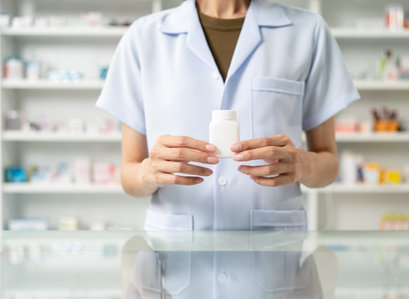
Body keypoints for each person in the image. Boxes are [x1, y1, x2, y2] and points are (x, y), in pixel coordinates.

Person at [95, 0, 360, 232]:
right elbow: (129, 176)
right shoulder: (144, 36)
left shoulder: (307, 30)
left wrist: (304, 165)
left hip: (272, 253)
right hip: (176, 254)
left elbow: (329, 164)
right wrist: (148, 172)